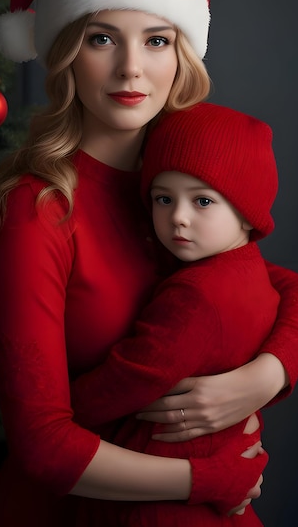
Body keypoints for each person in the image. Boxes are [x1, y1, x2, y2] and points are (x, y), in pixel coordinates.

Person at [0, 0, 298, 526]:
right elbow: (41, 442)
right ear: (63, 53)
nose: (131, 68)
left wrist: (265, 376)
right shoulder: (36, 211)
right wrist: (207, 477)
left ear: (181, 54)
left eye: (156, 40)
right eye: (101, 38)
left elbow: (287, 285)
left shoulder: (183, 174)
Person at [70, 101, 281, 526]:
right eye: (163, 198)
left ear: (247, 210)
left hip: (158, 504)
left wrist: (60, 408)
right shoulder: (247, 268)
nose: (178, 218)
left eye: (202, 201)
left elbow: (129, 379)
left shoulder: (197, 294)